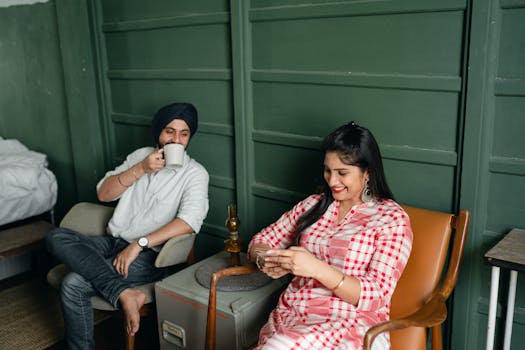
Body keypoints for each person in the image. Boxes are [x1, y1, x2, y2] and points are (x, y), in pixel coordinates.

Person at [46, 102, 209, 350]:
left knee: (73, 283)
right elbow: (103, 193)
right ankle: (124, 293)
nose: (176, 140)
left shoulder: (195, 174)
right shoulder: (140, 156)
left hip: (150, 256)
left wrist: (139, 244)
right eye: (169, 131)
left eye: (184, 134)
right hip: (112, 242)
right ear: (158, 133)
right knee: (55, 236)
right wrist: (141, 168)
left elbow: (188, 222)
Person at [247, 122, 413, 350]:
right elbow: (260, 241)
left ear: (368, 172)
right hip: (295, 315)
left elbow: (376, 295)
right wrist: (264, 258)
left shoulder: (391, 218)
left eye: (342, 173)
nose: (332, 181)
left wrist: (315, 268)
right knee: (279, 343)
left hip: (354, 322)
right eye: (328, 170)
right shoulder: (313, 205)